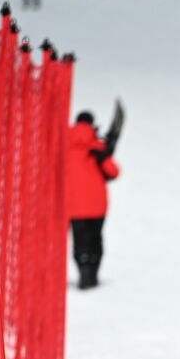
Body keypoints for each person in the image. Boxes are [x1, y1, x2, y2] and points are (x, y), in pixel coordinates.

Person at [65, 111, 120, 290]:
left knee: (80, 241)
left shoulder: (63, 145)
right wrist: (105, 155)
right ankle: (92, 274)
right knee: (95, 240)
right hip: (97, 206)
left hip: (73, 206)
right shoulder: (97, 146)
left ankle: (83, 273)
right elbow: (113, 172)